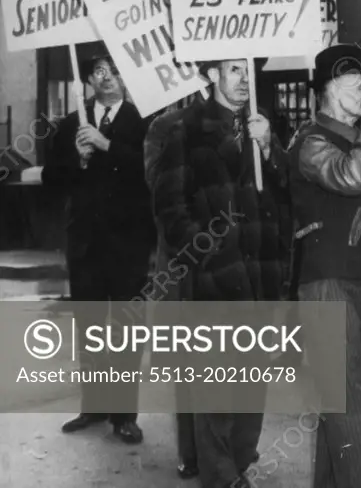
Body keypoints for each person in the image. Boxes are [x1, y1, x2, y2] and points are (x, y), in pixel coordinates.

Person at [153, 58, 291, 488]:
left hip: (261, 275)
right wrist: (209, 255)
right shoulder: (185, 128)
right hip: (215, 280)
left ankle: (240, 459)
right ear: (212, 75)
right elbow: (170, 209)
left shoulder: (264, 126)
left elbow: (286, 194)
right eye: (235, 69)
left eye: (248, 70)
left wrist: (269, 150)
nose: (245, 79)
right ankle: (219, 474)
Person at [289, 44, 361, 487]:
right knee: (350, 407)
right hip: (327, 286)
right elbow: (349, 178)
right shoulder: (310, 141)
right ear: (326, 89)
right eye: (354, 81)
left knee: (350, 404)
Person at [42, 48, 153, 444]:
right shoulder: (73, 122)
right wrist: (76, 156)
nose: (106, 77)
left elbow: (149, 171)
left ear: (126, 78)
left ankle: (124, 415)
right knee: (89, 329)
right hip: (85, 243)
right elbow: (51, 179)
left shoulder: (144, 121)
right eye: (99, 71)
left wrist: (106, 146)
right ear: (89, 79)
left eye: (114, 71)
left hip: (128, 245)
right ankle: (94, 405)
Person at [143, 90, 206, 479]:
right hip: (184, 262)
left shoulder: (247, 120)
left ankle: (230, 450)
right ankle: (192, 450)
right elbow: (158, 188)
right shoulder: (164, 127)